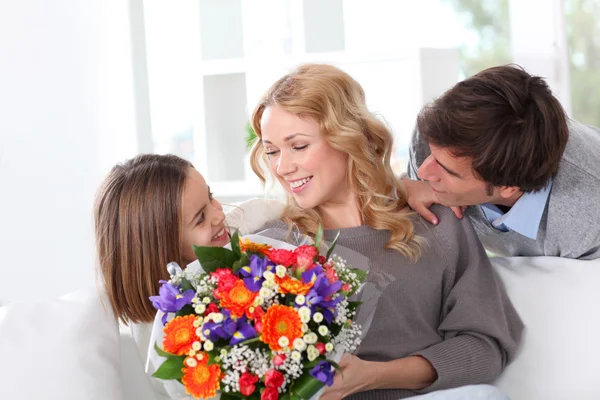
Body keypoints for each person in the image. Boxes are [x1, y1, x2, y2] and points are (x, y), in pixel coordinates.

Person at [249, 64, 524, 400]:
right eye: (272, 151)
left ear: (346, 136)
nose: (282, 167)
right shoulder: (268, 248)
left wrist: (374, 376)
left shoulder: (437, 223)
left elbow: (485, 348)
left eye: (299, 146)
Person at [94, 154, 283, 359]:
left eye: (210, 196)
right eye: (200, 219)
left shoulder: (262, 224)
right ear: (165, 249)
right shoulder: (166, 332)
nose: (219, 215)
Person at [404, 64, 600, 260]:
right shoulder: (431, 137)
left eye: (447, 170)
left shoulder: (587, 222)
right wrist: (400, 188)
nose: (423, 172)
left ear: (508, 187)